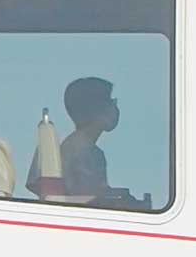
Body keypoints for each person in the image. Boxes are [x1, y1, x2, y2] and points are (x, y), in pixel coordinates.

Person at [27, 76, 129, 204]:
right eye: (110, 102)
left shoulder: (75, 146)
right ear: (95, 110)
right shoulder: (87, 153)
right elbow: (92, 200)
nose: (114, 108)